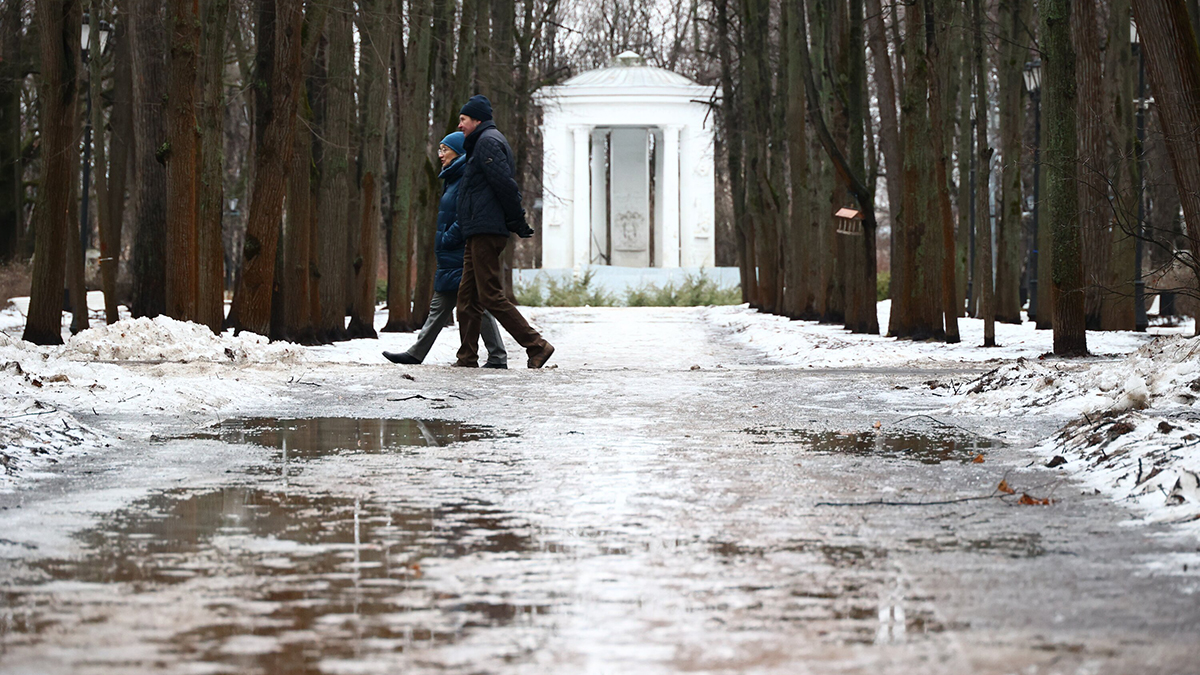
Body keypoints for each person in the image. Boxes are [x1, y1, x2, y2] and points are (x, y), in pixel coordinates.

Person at [383, 132, 508, 368]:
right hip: (450, 254)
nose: (440, 155)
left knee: (475, 305)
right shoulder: (452, 177)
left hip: (461, 252)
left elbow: (466, 215)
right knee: (442, 306)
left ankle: (498, 356)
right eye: (439, 149)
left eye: (444, 149)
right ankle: (417, 352)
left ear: (459, 151)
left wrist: (449, 238)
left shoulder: (465, 177)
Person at [454, 95, 555, 369]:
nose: (460, 125)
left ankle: (536, 344)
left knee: (489, 295)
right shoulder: (482, 143)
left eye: (463, 120)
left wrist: (517, 220)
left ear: (476, 120)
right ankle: (466, 357)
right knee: (466, 297)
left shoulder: (488, 142)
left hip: (486, 229)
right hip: (478, 228)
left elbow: (505, 186)